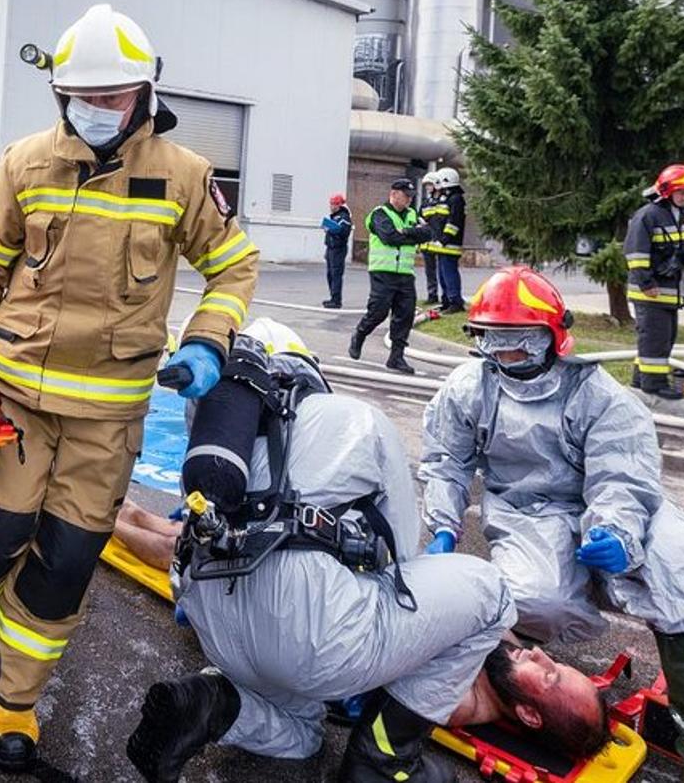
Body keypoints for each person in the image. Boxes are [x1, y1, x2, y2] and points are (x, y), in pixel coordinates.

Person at [0, 3, 258, 771]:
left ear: (145, 96)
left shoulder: (183, 176)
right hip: (15, 393)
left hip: (107, 413)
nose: (99, 108)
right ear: (60, 96)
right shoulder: (25, 162)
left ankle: (15, 699)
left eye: (115, 95)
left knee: (67, 561)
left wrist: (209, 341)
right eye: (85, 94)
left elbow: (235, 264)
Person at [124, 321, 603, 782]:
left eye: (553, 676)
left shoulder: (317, 424)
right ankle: (216, 705)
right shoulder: (349, 430)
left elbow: (408, 572)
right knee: (301, 734)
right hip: (250, 640)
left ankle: (371, 754)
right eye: (557, 663)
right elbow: (398, 567)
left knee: (490, 593)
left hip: (235, 600)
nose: (543, 656)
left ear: (528, 715)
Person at [422, 266, 684, 783]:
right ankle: (516, 674)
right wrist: (443, 524)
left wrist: (617, 531)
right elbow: (446, 461)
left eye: (520, 342)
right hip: (530, 511)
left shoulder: (596, 394)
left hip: (626, 504)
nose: (505, 355)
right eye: (493, 342)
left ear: (553, 337)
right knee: (537, 598)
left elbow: (621, 472)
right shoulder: (469, 389)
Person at [626, 163, 684, 400]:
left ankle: (639, 377)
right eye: (682, 192)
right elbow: (635, 254)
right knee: (656, 338)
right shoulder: (647, 216)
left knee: (662, 336)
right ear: (666, 191)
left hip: (671, 291)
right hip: (651, 292)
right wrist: (647, 284)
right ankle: (654, 385)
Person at [347, 178, 432, 374]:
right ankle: (360, 334)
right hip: (382, 272)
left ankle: (396, 357)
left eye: (411, 197)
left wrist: (407, 231)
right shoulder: (379, 214)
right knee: (379, 311)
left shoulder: (412, 214)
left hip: (405, 273)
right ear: (393, 194)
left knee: (405, 315)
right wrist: (413, 235)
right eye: (406, 196)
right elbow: (389, 237)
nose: (409, 201)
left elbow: (428, 233)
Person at [420, 166, 467, 312]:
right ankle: (447, 301)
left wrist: (444, 239)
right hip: (443, 245)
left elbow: (453, 222)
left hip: (450, 244)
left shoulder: (456, 199)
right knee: (442, 274)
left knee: (449, 273)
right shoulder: (449, 198)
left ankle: (455, 302)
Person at [321, 193, 353, 308]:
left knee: (336, 274)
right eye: (331, 204)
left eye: (334, 204)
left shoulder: (344, 217)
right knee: (330, 274)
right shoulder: (334, 217)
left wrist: (331, 230)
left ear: (339, 205)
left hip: (338, 249)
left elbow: (344, 232)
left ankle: (336, 300)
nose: (332, 206)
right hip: (331, 248)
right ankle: (333, 298)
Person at [419, 172, 441, 304]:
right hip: (426, 243)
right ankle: (432, 295)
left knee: (442, 272)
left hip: (438, 242)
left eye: (429, 184)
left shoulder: (442, 203)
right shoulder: (425, 203)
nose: (427, 187)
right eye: (426, 185)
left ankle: (446, 297)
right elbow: (419, 217)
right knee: (430, 271)